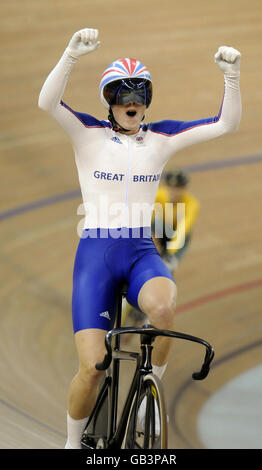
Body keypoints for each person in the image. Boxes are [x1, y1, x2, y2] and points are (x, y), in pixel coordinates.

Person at [38, 28, 241, 449]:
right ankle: (72, 445)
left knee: (163, 309)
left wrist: (232, 76)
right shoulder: (87, 133)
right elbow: (47, 102)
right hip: (96, 254)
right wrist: (71, 54)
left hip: (139, 251)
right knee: (93, 366)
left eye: (139, 96)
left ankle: (150, 395)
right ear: (108, 102)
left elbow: (225, 124)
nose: (131, 104)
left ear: (147, 101)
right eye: (122, 96)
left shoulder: (161, 137)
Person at [153, 169, 200, 274]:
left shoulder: (192, 204)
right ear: (166, 187)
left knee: (166, 269)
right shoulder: (159, 195)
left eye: (178, 189)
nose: (174, 192)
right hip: (159, 230)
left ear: (184, 189)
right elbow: (145, 220)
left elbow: (182, 230)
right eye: (171, 188)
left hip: (178, 236)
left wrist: (169, 253)